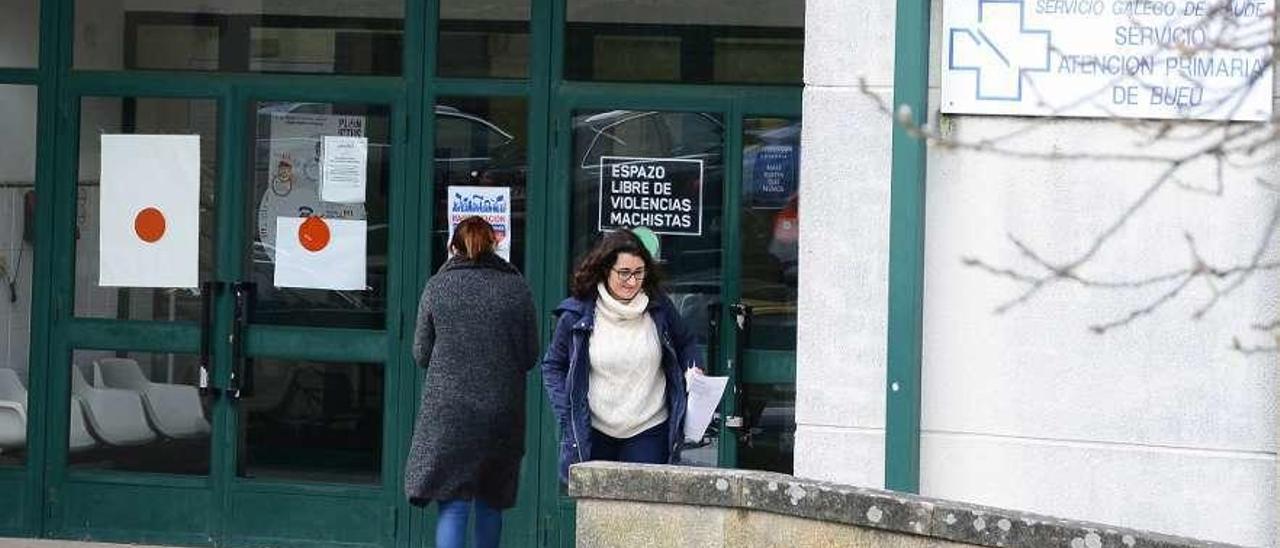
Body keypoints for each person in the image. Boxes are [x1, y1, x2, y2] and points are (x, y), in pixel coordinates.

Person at [404, 216, 538, 548]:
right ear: (494, 245)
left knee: (453, 504)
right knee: (491, 501)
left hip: (449, 413)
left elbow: (421, 353)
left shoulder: (438, 287)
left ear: (453, 247)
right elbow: (530, 355)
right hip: (500, 411)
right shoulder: (515, 287)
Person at [541, 229, 702, 484]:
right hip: (595, 429)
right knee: (598, 513)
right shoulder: (578, 313)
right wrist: (567, 412)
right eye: (624, 273)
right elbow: (552, 366)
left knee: (642, 509)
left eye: (639, 273)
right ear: (606, 270)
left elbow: (686, 343)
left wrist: (694, 369)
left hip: (649, 426)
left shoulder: (658, 306)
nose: (632, 281)